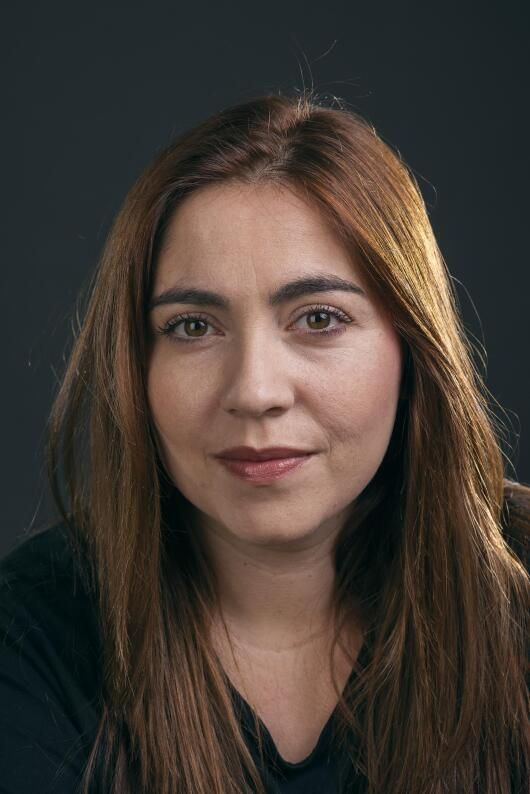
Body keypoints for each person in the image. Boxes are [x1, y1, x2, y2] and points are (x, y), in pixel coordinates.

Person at [0, 91, 528, 794]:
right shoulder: (31, 632)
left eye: (318, 318)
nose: (254, 391)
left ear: (412, 349)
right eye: (193, 327)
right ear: (135, 365)